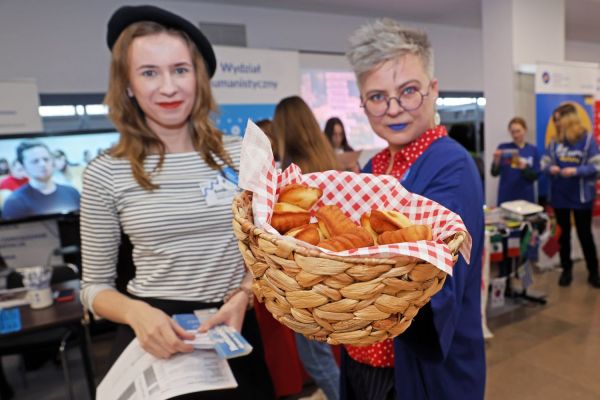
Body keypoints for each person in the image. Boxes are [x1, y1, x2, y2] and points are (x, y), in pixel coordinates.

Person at [79, 5, 275, 399]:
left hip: (234, 323)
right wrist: (137, 313)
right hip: (154, 329)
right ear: (128, 85)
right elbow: (93, 288)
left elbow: (270, 250)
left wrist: (245, 294)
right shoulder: (105, 173)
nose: (168, 87)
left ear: (198, 79)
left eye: (180, 70)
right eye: (149, 72)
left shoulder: (243, 155)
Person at [342, 19, 485, 399]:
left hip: (416, 371)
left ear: (433, 90)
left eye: (408, 91)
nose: (393, 109)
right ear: (362, 101)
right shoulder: (375, 167)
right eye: (376, 97)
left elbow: (432, 283)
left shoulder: (450, 165)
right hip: (362, 360)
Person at [272, 95, 341, 400]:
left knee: (314, 356)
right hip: (334, 265)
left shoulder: (291, 170)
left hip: (307, 271)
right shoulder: (326, 159)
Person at [541, 103, 600, 288]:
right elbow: (544, 164)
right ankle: (566, 270)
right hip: (560, 197)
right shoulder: (554, 142)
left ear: (568, 120)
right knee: (562, 235)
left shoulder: (588, 141)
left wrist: (575, 171)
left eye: (558, 120)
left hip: (581, 197)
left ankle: (593, 272)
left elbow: (596, 166)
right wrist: (551, 168)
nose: (556, 124)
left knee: (585, 235)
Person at [2, 142, 80, 220]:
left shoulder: (72, 192)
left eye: (46, 159)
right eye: (35, 161)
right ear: (23, 166)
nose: (43, 164)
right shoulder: (14, 202)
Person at [491, 117, 540, 205]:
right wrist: (496, 160)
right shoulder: (503, 148)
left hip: (526, 197)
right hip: (506, 196)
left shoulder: (532, 150)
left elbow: (535, 176)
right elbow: (494, 173)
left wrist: (525, 168)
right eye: (513, 132)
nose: (515, 135)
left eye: (518, 131)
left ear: (525, 130)